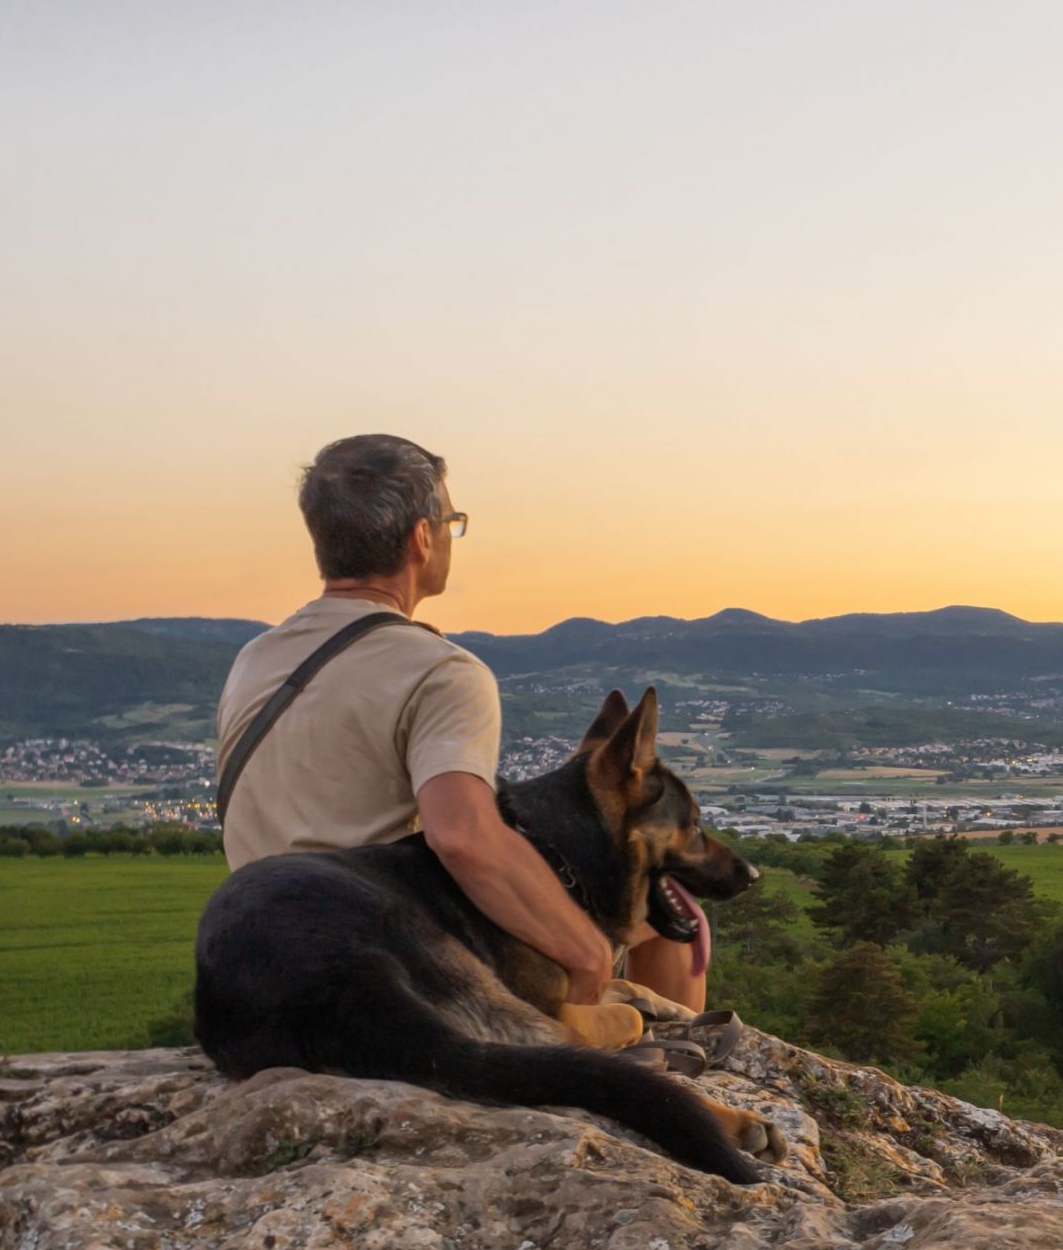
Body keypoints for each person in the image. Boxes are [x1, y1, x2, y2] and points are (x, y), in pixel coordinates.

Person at [214, 434, 708, 1040]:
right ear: (423, 537)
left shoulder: (255, 659)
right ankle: (671, 1058)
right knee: (669, 919)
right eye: (451, 521)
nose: (450, 535)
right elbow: (464, 836)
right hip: (391, 946)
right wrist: (586, 953)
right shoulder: (441, 670)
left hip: (265, 946)